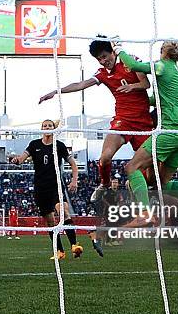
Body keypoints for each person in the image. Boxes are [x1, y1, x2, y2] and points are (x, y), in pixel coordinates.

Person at [113, 40, 178, 262]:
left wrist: (119, 49)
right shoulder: (176, 73)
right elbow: (154, 100)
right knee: (162, 184)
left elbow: (134, 66)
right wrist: (133, 97)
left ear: (163, 52)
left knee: (132, 167)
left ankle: (144, 214)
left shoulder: (162, 66)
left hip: (170, 132)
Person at [39, 35, 154, 201]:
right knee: (105, 157)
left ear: (113, 52)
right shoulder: (102, 73)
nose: (102, 61)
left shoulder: (131, 62)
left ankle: (148, 198)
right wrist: (56, 91)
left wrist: (131, 86)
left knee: (150, 170)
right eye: (99, 59)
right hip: (123, 120)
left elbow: (146, 85)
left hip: (143, 122)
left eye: (105, 56)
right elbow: (80, 85)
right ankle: (105, 185)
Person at [11, 119, 83, 260]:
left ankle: (75, 245)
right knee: (50, 221)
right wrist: (16, 161)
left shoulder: (59, 146)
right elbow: (21, 159)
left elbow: (73, 164)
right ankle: (60, 251)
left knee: (63, 211)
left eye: (50, 126)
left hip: (55, 185)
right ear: (42, 128)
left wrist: (74, 180)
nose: (47, 127)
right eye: (45, 126)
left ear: (54, 129)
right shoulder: (34, 144)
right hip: (40, 188)